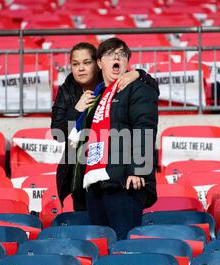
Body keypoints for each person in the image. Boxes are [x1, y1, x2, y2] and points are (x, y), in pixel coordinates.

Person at [51, 42, 158, 211]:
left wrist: (137, 74)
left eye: (87, 63)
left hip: (113, 171)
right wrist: (76, 109)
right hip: (80, 170)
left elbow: (150, 91)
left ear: (98, 64)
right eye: (75, 64)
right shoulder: (68, 88)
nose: (81, 69)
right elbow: (58, 133)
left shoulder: (114, 79)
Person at [76, 37, 159, 240]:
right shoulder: (95, 98)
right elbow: (78, 141)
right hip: (96, 184)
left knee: (123, 246)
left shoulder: (137, 88)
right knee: (100, 248)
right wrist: (77, 112)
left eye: (121, 54)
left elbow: (145, 127)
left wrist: (138, 169)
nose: (116, 57)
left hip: (125, 183)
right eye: (110, 54)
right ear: (99, 63)